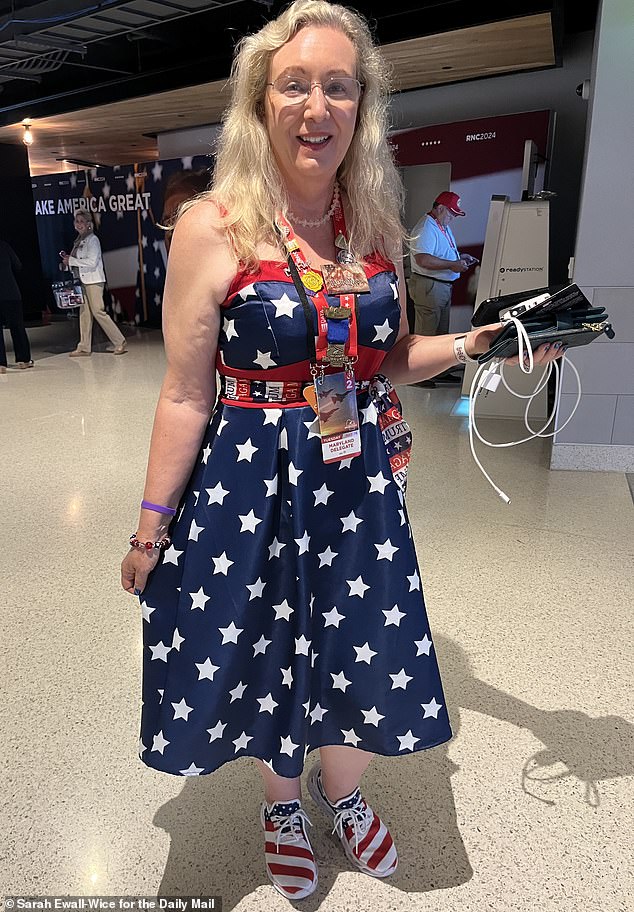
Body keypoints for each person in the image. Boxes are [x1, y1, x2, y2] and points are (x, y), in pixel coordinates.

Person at [120, 0, 564, 899]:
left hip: (353, 475)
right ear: (259, 104)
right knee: (266, 643)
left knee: (360, 636)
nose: (316, 106)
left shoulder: (372, 224)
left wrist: (481, 343)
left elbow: (388, 355)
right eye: (294, 85)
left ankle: (345, 793)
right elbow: (183, 390)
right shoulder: (214, 226)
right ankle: (282, 804)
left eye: (337, 87)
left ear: (361, 108)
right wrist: (150, 527)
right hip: (249, 480)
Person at [407, 191, 478, 386]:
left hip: (440, 286)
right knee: (426, 334)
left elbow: (438, 254)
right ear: (440, 208)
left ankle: (436, 371)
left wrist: (459, 259)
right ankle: (418, 375)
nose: (453, 217)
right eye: (452, 213)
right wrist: (451, 265)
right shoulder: (425, 228)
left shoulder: (439, 225)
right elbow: (423, 259)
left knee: (439, 334)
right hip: (429, 286)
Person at [60, 210, 127, 357]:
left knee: (98, 311)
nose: (78, 224)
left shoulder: (93, 240)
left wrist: (71, 260)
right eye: (76, 221)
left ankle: (119, 341)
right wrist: (67, 263)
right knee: (84, 314)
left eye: (82, 221)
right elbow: (76, 262)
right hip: (81, 281)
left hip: (93, 281)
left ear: (89, 224)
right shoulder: (78, 241)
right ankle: (84, 346)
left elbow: (91, 262)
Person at [0, 238, 33, 372]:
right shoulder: (4, 245)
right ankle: (23, 360)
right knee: (17, 327)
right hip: (11, 292)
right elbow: (17, 265)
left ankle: (1, 364)